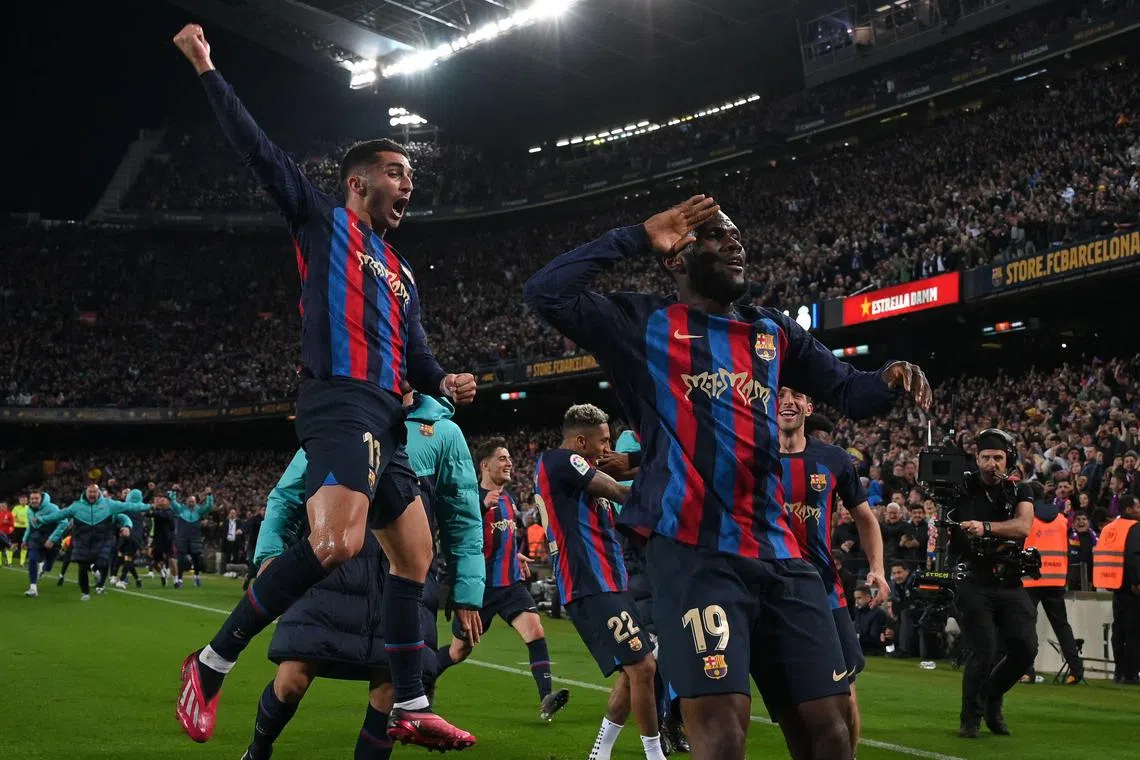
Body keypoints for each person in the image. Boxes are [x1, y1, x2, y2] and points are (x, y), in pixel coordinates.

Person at [523, 195, 930, 760]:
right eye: (716, 235)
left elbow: (849, 391)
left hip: (781, 555)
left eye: (737, 235)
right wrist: (637, 236)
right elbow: (546, 291)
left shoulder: (773, 333)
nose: (735, 243)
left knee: (832, 732)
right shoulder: (642, 324)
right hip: (694, 556)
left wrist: (889, 377)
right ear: (676, 257)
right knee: (722, 734)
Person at [171, 23, 475, 749]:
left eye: (411, 178)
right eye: (398, 172)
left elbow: (420, 357)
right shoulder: (321, 221)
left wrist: (446, 380)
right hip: (338, 398)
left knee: (415, 557)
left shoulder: (402, 274)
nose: (408, 185)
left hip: (387, 417)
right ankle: (211, 662)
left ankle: (408, 700)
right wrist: (208, 68)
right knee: (336, 543)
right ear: (359, 179)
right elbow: (257, 151)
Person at [241, 390, 485, 760]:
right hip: (334, 560)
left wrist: (467, 595)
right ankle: (258, 750)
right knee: (292, 679)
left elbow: (462, 518)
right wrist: (270, 554)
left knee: (390, 695)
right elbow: (286, 495)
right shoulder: (341, 418)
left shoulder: (443, 433)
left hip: (402, 577)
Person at [535, 404, 664, 760]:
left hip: (608, 584)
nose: (608, 450)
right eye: (603, 442)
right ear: (580, 441)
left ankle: (599, 754)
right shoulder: (562, 461)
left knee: (634, 669)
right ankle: (655, 755)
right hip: (591, 584)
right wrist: (657, 470)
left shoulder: (577, 475)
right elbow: (624, 495)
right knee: (644, 667)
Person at [776, 387, 888, 758]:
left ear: (809, 406)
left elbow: (865, 519)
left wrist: (877, 569)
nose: (788, 401)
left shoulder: (832, 459)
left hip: (824, 591)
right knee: (790, 702)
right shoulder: (749, 452)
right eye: (780, 394)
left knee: (845, 696)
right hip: (768, 590)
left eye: (797, 395)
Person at [434, 439, 571, 723]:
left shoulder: (508, 499)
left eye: (510, 458)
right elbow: (455, 537)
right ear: (485, 465)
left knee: (536, 632)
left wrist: (515, 557)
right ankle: (419, 680)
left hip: (509, 585)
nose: (509, 463)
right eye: (502, 458)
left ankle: (546, 698)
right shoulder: (469, 495)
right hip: (478, 590)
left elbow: (504, 538)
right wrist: (481, 508)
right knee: (459, 651)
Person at [946, 429, 1037, 739]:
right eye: (985, 457)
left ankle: (992, 697)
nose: (991, 464)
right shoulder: (963, 487)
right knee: (984, 649)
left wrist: (985, 527)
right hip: (973, 578)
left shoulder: (1020, 490)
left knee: (1025, 649)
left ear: (1007, 460)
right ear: (976, 459)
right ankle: (969, 718)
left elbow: (1023, 526)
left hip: (1009, 579)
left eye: (998, 458)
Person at [39, 486, 152, 600]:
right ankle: (85, 593)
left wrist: (130, 524)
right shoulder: (77, 506)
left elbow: (128, 509)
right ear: (86, 493)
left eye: (95, 492)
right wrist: (42, 519)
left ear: (99, 494)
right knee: (82, 567)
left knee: (103, 563)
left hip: (102, 540)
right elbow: (59, 514)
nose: (92, 494)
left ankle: (100, 581)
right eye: (90, 492)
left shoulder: (109, 505)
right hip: (82, 540)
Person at [1023, 490, 1084, 683]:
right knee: (1062, 627)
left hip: (1031, 579)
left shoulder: (1027, 517)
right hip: (1056, 579)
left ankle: (1027, 671)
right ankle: (1076, 672)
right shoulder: (1061, 519)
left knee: (1026, 627)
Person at [1093, 494, 1140, 684]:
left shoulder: (1109, 528)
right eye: (1138, 507)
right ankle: (1130, 673)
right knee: (1134, 632)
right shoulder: (1135, 528)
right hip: (1131, 588)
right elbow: (1134, 556)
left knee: (1118, 631)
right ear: (1129, 509)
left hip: (1115, 585)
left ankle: (1119, 671)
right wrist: (1137, 581)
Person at [169, 486, 216, 588]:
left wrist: (209, 495)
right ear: (186, 502)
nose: (191, 503)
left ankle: (197, 576)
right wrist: (173, 491)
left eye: (193, 501)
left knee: (197, 559)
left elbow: (209, 506)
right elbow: (172, 502)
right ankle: (180, 579)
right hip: (182, 538)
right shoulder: (181, 510)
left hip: (195, 538)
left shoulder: (199, 511)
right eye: (189, 501)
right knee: (181, 559)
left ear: (196, 502)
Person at [23, 491, 62, 597]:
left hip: (51, 538)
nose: (34, 501)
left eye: (36, 498)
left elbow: (64, 522)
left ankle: (44, 568)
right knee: (32, 559)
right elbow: (30, 526)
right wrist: (24, 540)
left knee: (48, 566)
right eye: (32, 499)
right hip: (36, 539)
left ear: (41, 499)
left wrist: (52, 539)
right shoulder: (29, 510)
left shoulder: (53, 508)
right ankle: (33, 588)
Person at [150, 494, 177, 587]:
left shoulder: (170, 511)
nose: (161, 501)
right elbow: (147, 514)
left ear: (168, 502)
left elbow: (164, 516)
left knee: (172, 559)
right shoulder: (158, 511)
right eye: (160, 500)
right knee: (153, 563)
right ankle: (162, 574)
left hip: (168, 539)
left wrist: (153, 509)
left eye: (163, 500)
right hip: (158, 539)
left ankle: (176, 580)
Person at [10, 495, 29, 566]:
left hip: (26, 529)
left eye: (25, 500)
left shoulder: (29, 508)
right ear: (19, 501)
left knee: (24, 545)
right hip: (17, 528)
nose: (24, 501)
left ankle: (22, 562)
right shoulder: (16, 508)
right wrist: (19, 521)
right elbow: (12, 517)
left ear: (27, 501)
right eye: (22, 500)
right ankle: (9, 561)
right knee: (14, 544)